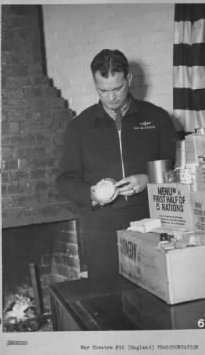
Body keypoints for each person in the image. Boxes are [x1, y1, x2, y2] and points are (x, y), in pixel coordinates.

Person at [56, 49, 177, 280]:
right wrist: (91, 193)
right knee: (107, 299)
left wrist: (148, 179)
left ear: (129, 80)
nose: (111, 97)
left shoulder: (157, 118)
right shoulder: (79, 127)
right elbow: (65, 179)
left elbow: (175, 169)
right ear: (95, 84)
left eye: (117, 88)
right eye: (103, 90)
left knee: (155, 292)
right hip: (102, 228)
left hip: (152, 222)